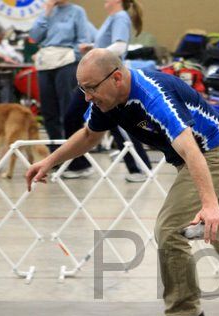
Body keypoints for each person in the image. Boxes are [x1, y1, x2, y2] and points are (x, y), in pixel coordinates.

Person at [26, 49, 219, 316]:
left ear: (117, 78)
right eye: (82, 89)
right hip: (195, 157)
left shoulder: (153, 96)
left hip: (213, 153)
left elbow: (190, 149)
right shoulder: (107, 100)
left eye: (91, 88)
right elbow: (89, 135)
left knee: (171, 230)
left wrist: (209, 205)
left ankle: (187, 315)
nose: (87, 97)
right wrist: (50, 160)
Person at [61, 0, 152, 181]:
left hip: (107, 79)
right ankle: (79, 164)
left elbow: (119, 46)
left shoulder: (120, 17)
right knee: (73, 116)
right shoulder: (113, 18)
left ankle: (140, 167)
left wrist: (95, 54)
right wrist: (92, 48)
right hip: (98, 78)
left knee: (120, 124)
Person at [29, 0, 89, 152]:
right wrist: (46, 12)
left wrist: (72, 56)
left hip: (66, 62)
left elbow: (83, 40)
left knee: (67, 108)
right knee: (48, 110)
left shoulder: (77, 11)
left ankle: (74, 152)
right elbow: (34, 36)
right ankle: (56, 152)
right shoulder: (46, 12)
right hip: (45, 63)